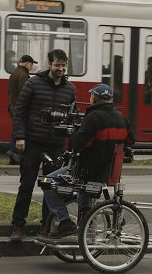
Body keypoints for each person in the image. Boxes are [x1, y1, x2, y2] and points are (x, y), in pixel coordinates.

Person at [41, 83, 134, 238]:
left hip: (86, 172)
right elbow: (130, 141)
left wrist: (73, 133)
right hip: (107, 173)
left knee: (47, 181)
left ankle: (64, 222)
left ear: (94, 99)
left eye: (91, 96)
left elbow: (78, 145)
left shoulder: (93, 118)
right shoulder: (121, 118)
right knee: (83, 191)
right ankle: (86, 223)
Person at [9, 49, 76, 242]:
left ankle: (46, 227)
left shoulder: (70, 89)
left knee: (51, 186)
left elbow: (72, 117)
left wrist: (71, 145)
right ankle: (18, 225)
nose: (61, 69)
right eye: (57, 65)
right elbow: (19, 111)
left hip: (56, 145)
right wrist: (20, 137)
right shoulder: (33, 83)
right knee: (26, 185)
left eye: (64, 65)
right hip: (32, 143)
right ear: (49, 64)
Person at [7, 54, 37, 164]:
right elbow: (24, 94)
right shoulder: (23, 75)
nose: (32, 67)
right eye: (31, 64)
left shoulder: (15, 73)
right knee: (19, 132)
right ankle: (14, 154)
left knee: (16, 130)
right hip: (19, 107)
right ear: (26, 63)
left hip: (13, 106)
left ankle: (13, 155)